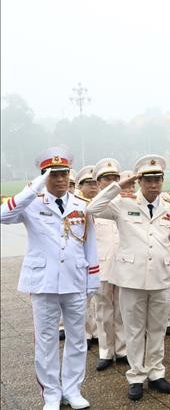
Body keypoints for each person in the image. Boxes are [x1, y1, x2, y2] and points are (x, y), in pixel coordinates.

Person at [1, 146, 99, 410]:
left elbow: (90, 245)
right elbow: (3, 215)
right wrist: (34, 188)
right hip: (44, 282)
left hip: (76, 280)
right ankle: (51, 394)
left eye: (63, 174)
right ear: (43, 177)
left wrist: (92, 280)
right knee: (46, 341)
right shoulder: (31, 202)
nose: (59, 180)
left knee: (77, 339)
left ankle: (72, 389)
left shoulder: (81, 205)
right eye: (53, 175)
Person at [87, 155, 170, 401]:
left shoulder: (169, 206)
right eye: (148, 180)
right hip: (131, 278)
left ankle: (155, 372)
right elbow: (92, 207)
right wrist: (119, 185)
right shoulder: (123, 203)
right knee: (133, 330)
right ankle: (136, 376)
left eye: (157, 179)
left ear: (162, 181)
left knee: (157, 328)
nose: (153, 185)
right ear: (140, 181)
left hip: (161, 278)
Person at [91, 158, 128, 371]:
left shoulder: (126, 204)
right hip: (102, 267)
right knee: (103, 311)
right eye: (107, 179)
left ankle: (122, 349)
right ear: (98, 183)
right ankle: (106, 351)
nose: (112, 182)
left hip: (123, 266)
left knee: (122, 310)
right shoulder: (92, 207)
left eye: (116, 178)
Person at [75, 166, 99, 349]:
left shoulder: (103, 203)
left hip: (103, 258)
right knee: (83, 302)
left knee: (100, 301)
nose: (93, 187)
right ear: (80, 185)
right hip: (82, 260)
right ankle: (84, 335)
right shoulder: (76, 206)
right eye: (88, 184)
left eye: (95, 183)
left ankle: (96, 331)